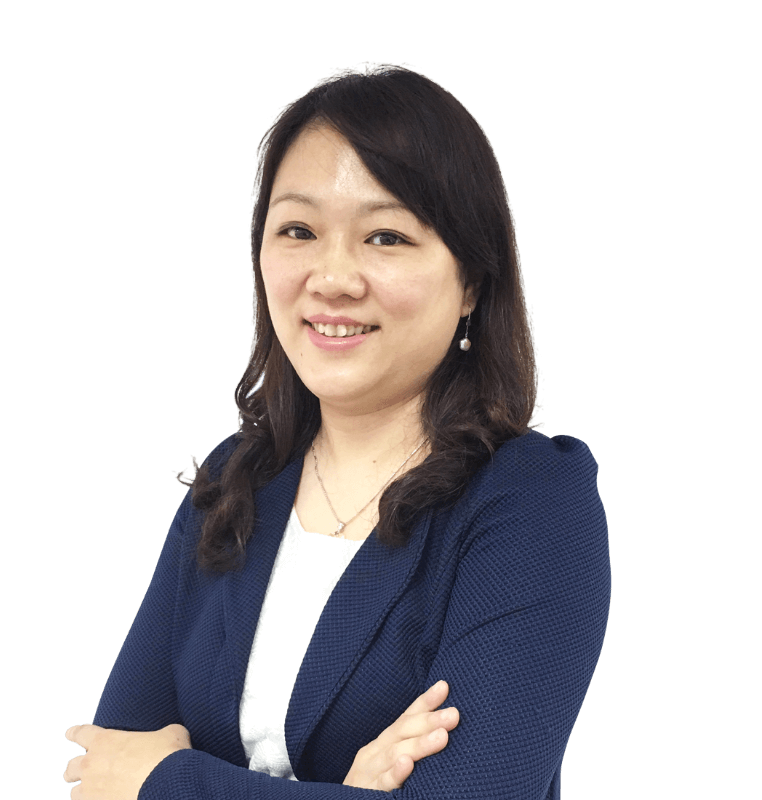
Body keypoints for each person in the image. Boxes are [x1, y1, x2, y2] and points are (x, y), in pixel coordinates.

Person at [66, 63, 610, 798]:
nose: (332, 277)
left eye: (385, 237)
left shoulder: (531, 500)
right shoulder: (235, 481)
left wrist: (173, 780)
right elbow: (102, 772)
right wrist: (349, 792)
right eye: (298, 230)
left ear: (472, 282)